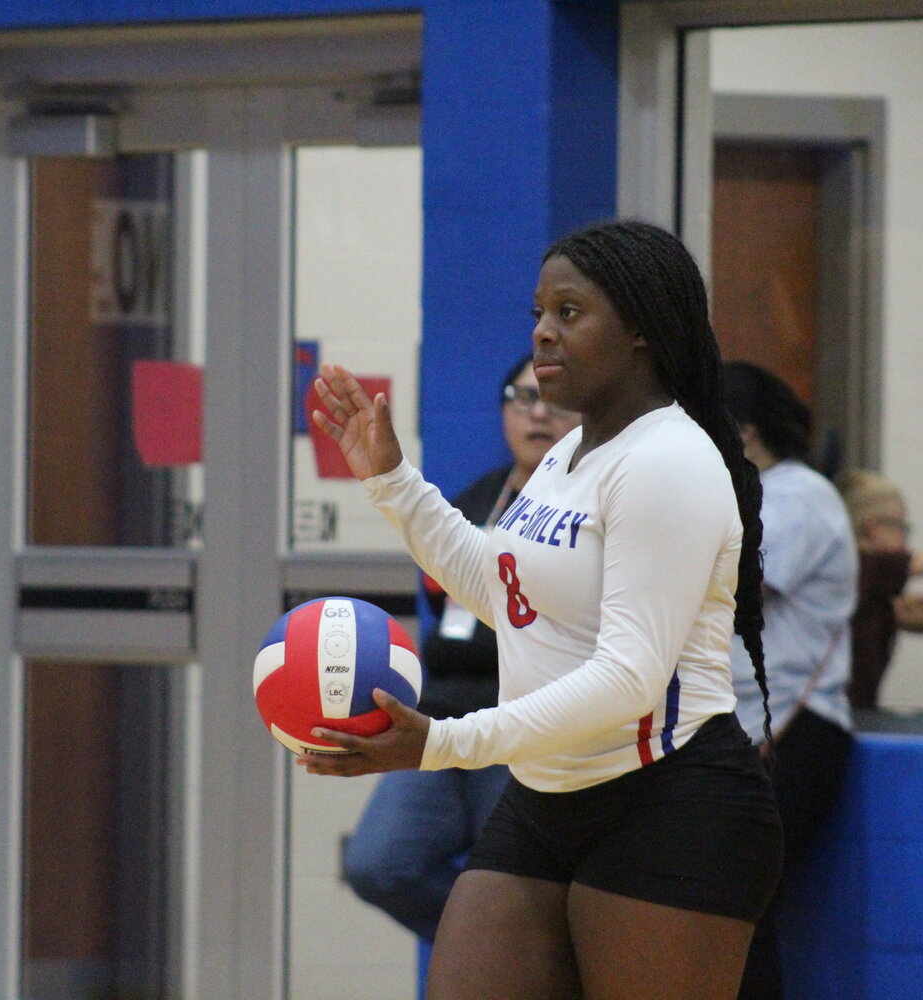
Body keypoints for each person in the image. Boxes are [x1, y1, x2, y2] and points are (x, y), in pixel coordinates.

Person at [302, 219, 783, 1000]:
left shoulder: (667, 460)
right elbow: (502, 593)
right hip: (545, 796)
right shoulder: (569, 452)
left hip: (668, 799)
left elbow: (629, 679)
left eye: (568, 312)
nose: (542, 335)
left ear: (639, 332)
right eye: (537, 314)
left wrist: (443, 743)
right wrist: (390, 480)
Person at [341, 354, 580, 943]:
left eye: (554, 400)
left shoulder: (582, 508)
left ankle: (532, 944)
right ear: (503, 410)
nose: (539, 413)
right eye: (523, 397)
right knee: (377, 864)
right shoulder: (475, 497)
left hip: (524, 726)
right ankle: (526, 941)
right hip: (438, 719)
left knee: (515, 881)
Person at [722, 361, 858, 1000]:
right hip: (743, 733)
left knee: (737, 906)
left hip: (795, 738)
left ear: (742, 431)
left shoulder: (799, 497)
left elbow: (733, 584)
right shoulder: (747, 498)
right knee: (725, 907)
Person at [835, 467, 923, 710]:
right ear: (873, 528)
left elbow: (911, 610)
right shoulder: (865, 571)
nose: (905, 540)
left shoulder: (870, 586)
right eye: (901, 528)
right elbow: (917, 563)